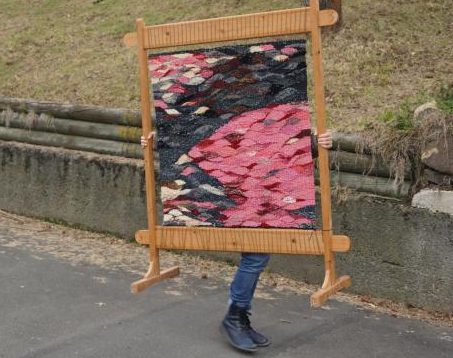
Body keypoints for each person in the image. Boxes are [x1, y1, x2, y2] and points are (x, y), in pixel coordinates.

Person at [140, 130, 333, 353]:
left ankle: (238, 315)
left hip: (258, 192)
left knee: (258, 255)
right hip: (231, 193)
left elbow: (278, 139)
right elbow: (190, 133)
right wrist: (155, 142)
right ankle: (235, 316)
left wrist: (317, 143)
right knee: (255, 256)